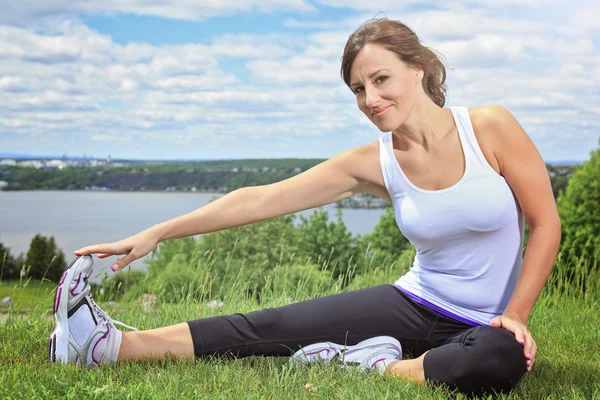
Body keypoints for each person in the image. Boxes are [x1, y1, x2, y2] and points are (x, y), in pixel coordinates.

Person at [47, 18, 561, 396]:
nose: (370, 99)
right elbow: (263, 199)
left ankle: (370, 366)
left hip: (488, 323)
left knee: (499, 358)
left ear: (417, 68)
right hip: (415, 302)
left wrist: (515, 315)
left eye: (380, 79)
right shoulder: (373, 162)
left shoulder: (489, 127)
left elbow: (545, 223)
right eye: (358, 89)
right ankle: (108, 346)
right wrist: (159, 232)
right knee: (266, 326)